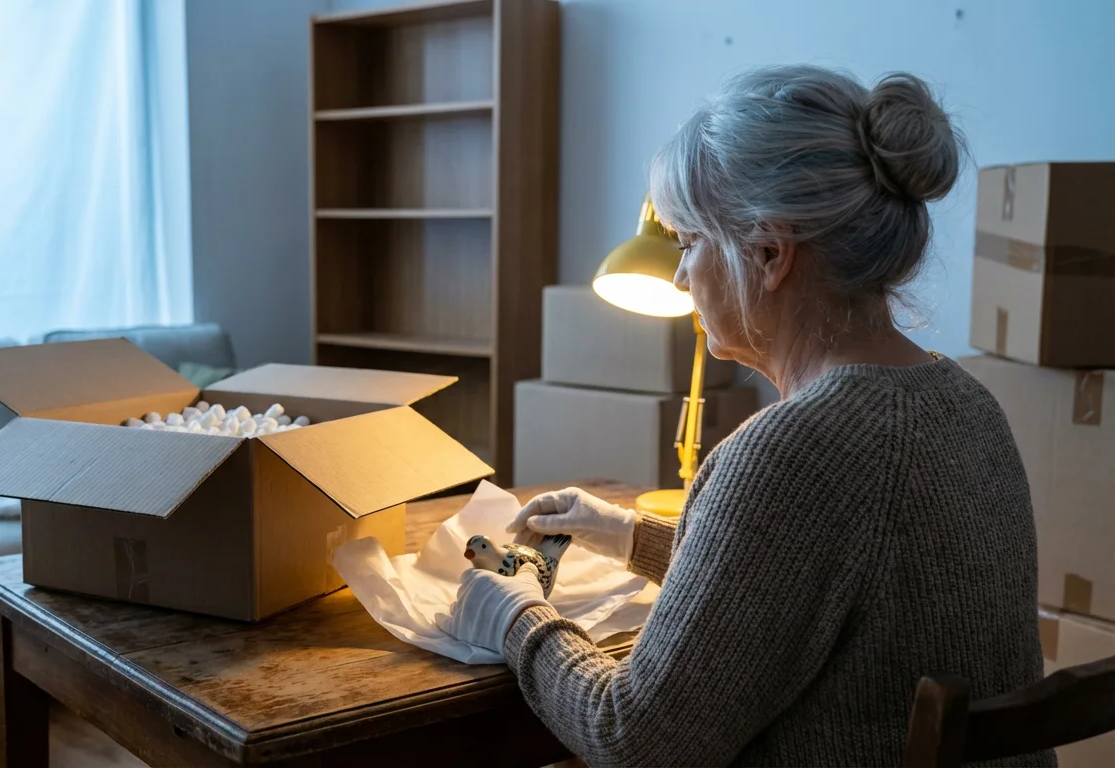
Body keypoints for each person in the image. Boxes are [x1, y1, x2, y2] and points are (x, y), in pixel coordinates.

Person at [435, 65, 1053, 767]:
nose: (678, 276)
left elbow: (633, 740)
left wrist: (517, 618)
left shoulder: (794, 451)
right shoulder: (966, 403)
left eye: (689, 243)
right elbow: (802, 581)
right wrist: (625, 534)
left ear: (767, 255)